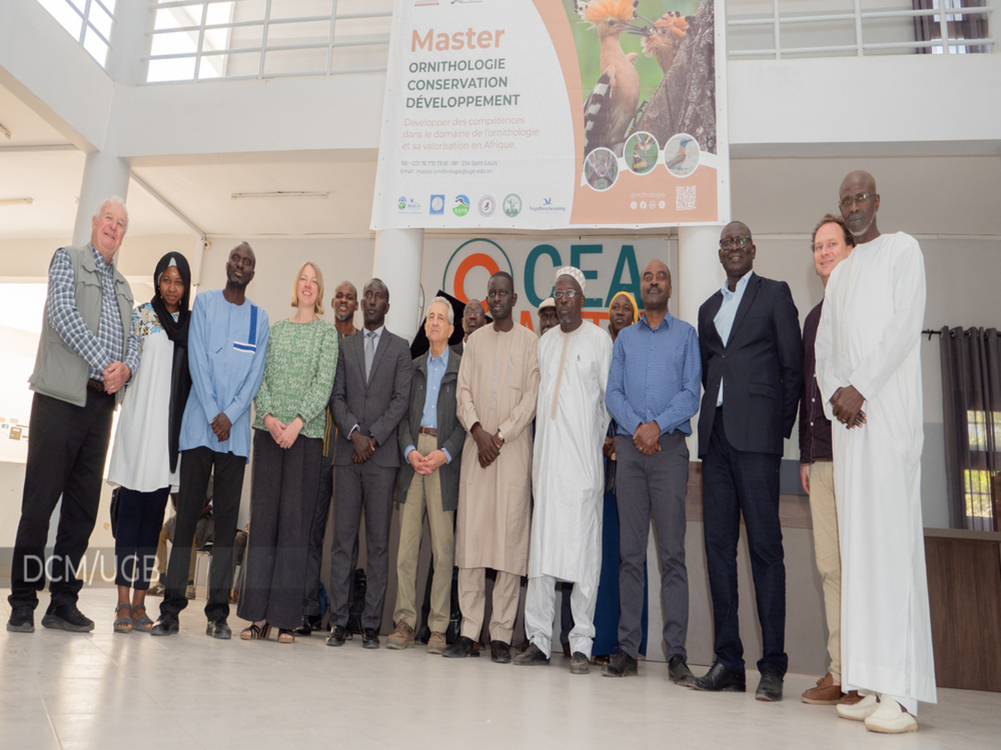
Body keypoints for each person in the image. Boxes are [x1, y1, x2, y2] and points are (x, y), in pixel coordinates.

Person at [815, 170, 936, 733]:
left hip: (886, 425)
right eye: (845, 200)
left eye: (860, 197)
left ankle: (903, 695)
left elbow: (901, 328)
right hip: (850, 429)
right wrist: (838, 393)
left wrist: (859, 386)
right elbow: (825, 350)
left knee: (889, 553)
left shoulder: (901, 251)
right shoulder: (840, 277)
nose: (853, 206)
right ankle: (869, 682)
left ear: (877, 202)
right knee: (858, 555)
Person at [8, 197, 139, 634]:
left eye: (121, 224)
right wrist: (108, 363)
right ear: (93, 222)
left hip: (101, 407)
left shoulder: (124, 287)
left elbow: (133, 340)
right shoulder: (67, 260)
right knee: (39, 503)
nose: (114, 228)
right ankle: (23, 602)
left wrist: (128, 368)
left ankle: (62, 602)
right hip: (60, 400)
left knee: (82, 511)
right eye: (109, 220)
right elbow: (63, 315)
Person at [690, 222, 803, 701]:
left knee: (764, 551)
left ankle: (773, 666)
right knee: (717, 551)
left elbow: (793, 367)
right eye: (726, 243)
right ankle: (728, 662)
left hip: (757, 443)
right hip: (714, 444)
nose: (733, 248)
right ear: (719, 254)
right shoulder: (707, 309)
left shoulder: (775, 294)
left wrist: (775, 431)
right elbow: (708, 367)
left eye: (741, 241)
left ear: (753, 250)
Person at [150, 242, 269, 639]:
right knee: (185, 520)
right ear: (227, 265)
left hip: (233, 436)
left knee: (224, 522)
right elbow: (197, 359)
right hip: (200, 426)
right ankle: (170, 610)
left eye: (247, 262)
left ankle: (217, 614)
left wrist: (230, 415)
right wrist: (215, 411)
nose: (240, 265)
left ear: (253, 273)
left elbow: (254, 376)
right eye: (236, 258)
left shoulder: (260, 319)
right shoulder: (202, 306)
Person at [602, 261, 701, 681]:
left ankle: (676, 653)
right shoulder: (625, 339)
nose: (654, 282)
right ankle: (627, 648)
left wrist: (656, 427)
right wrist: (638, 431)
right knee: (630, 554)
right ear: (641, 288)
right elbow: (613, 393)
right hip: (629, 451)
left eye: (661, 277)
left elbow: (690, 392)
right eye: (647, 277)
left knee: (672, 556)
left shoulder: (687, 335)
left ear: (671, 287)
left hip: (669, 452)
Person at [514, 267, 612, 674]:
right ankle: (537, 638)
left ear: (582, 298)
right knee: (542, 556)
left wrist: (598, 450)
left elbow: (607, 404)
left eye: (570, 292)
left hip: (584, 466)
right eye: (558, 293)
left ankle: (581, 644)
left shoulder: (599, 340)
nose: (564, 298)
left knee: (584, 557)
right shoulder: (545, 343)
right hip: (548, 466)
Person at [239, 262, 338, 643]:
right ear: (296, 287)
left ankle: (284, 617)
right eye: (304, 279)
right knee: (264, 524)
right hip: (268, 434)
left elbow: (323, 384)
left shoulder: (326, 336)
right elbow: (258, 378)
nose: (309, 285)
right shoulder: (276, 331)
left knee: (294, 529)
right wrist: (269, 417)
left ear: (320, 290)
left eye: (315, 280)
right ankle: (257, 616)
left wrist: (296, 424)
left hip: (305, 438)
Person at [443, 272, 539, 663]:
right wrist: (479, 431)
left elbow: (531, 397)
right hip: (476, 450)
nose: (496, 299)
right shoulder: (474, 342)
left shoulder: (530, 342)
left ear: (514, 298)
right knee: (472, 542)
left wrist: (500, 435)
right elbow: (463, 392)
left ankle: (500, 634)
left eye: (502, 293)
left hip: (511, 452)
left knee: (508, 543)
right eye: (491, 294)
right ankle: (469, 632)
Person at [106, 252, 193, 633]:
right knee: (129, 520)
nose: (172, 288)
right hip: (138, 429)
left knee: (151, 525)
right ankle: (122, 603)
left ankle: (141, 605)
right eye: (167, 280)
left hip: (166, 439)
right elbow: (128, 362)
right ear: (158, 281)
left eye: (179, 282)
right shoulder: (142, 316)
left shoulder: (190, 326)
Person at [326, 278, 412, 649]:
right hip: (348, 455)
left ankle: (371, 625)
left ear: (387, 307)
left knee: (378, 546)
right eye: (369, 296)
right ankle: (339, 622)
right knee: (344, 543)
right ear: (361, 304)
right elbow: (336, 396)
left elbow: (400, 400)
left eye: (380, 297)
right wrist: (355, 434)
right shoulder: (345, 348)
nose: (373, 301)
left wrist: (372, 438)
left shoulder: (401, 348)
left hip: (382, 460)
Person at [798, 215, 860, 706]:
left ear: (850, 250)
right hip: (820, 461)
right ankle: (840, 671)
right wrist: (805, 455)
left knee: (862, 566)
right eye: (818, 246)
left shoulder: (863, 306)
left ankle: (867, 672)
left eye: (831, 244)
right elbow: (807, 392)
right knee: (829, 568)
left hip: (859, 458)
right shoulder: (814, 318)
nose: (823, 252)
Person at [386, 297, 464, 654]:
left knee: (443, 550)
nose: (434, 323)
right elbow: (400, 417)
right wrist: (410, 451)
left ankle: (436, 628)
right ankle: (404, 622)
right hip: (414, 457)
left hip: (443, 460)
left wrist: (444, 453)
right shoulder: (412, 367)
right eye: (429, 317)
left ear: (451, 329)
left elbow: (467, 420)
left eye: (440, 318)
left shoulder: (463, 369)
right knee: (406, 549)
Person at [298, 279, 360, 635]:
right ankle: (308, 610)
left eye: (350, 297)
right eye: (339, 295)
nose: (344, 301)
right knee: (312, 531)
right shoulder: (320, 336)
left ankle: (343, 615)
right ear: (330, 300)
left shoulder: (361, 344)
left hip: (350, 452)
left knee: (346, 538)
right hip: (318, 448)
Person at [593, 290, 648, 665]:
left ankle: (627, 644)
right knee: (602, 555)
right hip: (599, 463)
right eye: (615, 307)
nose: (619, 312)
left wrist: (621, 438)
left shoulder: (640, 348)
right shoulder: (598, 346)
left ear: (635, 315)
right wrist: (601, 439)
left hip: (629, 459)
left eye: (626, 308)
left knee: (629, 553)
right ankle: (600, 643)